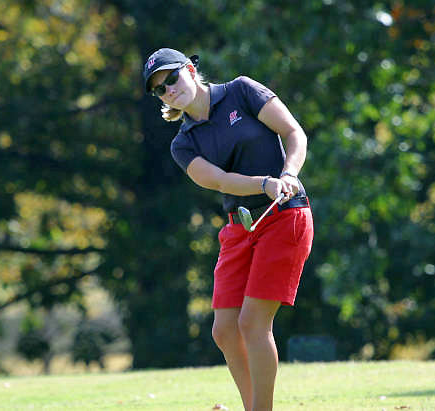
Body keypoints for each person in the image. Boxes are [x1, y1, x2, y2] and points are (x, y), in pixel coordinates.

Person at [143, 48, 314, 411]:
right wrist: (264, 183)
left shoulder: (242, 91)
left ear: (190, 70)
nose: (169, 89)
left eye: (172, 78)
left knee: (252, 323)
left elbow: (293, 132)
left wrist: (288, 174)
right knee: (224, 330)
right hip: (240, 228)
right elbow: (220, 180)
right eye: (160, 89)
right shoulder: (183, 144)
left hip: (284, 216)